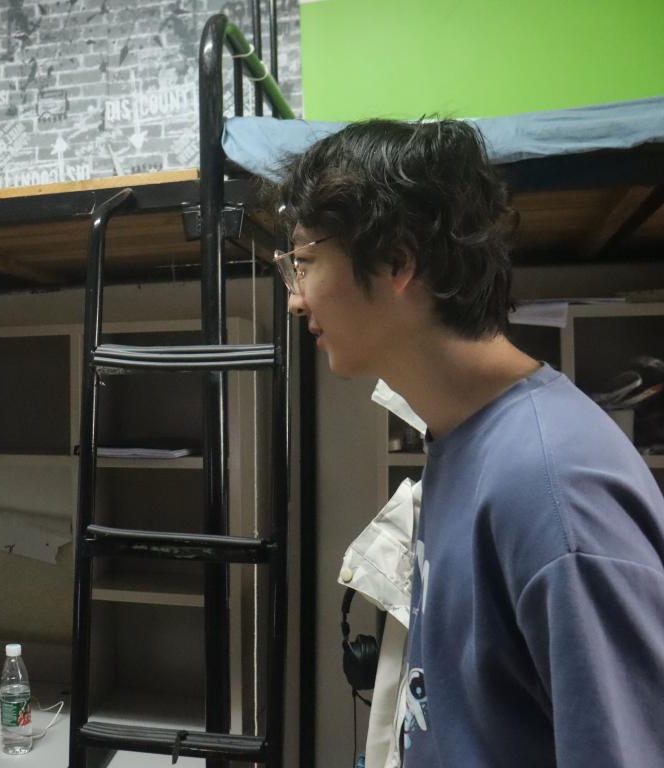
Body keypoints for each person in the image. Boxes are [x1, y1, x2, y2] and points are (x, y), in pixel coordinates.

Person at [275, 120, 664, 766]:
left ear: (397, 261)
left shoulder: (554, 489)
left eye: (305, 262)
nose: (295, 299)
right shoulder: (461, 438)